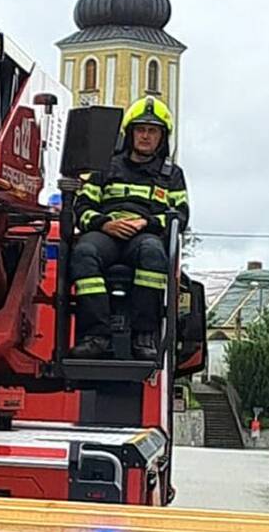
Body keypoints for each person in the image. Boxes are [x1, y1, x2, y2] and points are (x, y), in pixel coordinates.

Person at [69, 95, 191, 361]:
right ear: (130, 134)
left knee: (153, 253)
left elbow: (179, 217)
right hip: (106, 235)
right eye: (141, 129)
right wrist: (106, 224)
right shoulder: (105, 166)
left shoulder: (172, 175)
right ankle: (96, 336)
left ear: (162, 137)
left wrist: (147, 222)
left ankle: (144, 335)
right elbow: (82, 208)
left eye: (153, 131)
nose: (146, 136)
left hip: (145, 237)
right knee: (84, 252)